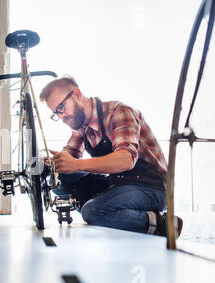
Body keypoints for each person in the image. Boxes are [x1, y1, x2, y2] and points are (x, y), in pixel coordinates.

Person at [39, 75, 183, 237]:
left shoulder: (119, 112)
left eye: (61, 108)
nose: (61, 117)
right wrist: (49, 164)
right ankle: (114, 212)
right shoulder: (81, 126)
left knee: (93, 211)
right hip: (118, 183)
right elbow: (68, 157)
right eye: (56, 114)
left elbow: (126, 160)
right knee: (60, 178)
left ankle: (160, 222)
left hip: (152, 187)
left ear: (77, 94)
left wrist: (77, 165)